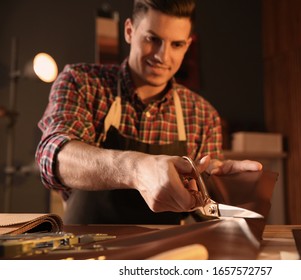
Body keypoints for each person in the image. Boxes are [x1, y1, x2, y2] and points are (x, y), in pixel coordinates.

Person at [35, 0, 262, 225]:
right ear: (129, 31)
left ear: (188, 44)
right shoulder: (82, 82)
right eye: (153, 39)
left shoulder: (202, 115)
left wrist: (224, 188)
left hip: (166, 256)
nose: (163, 56)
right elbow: (53, 157)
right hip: (88, 248)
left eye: (177, 44)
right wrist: (136, 168)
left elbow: (206, 212)